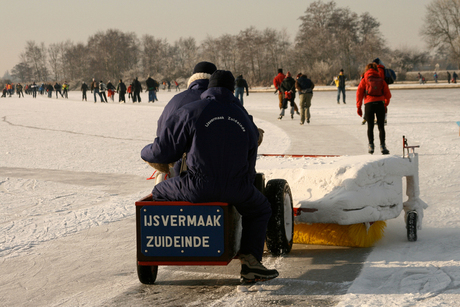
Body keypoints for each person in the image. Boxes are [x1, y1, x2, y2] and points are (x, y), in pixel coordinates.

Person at [141, 70, 278, 283]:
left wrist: (146, 151)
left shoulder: (191, 111)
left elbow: (165, 152)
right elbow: (251, 161)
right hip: (237, 188)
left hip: (197, 186)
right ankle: (251, 261)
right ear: (233, 90)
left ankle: (174, 242)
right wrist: (244, 186)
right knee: (261, 208)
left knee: (158, 191)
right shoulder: (244, 117)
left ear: (209, 88)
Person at [356, 63, 392, 155]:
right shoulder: (381, 79)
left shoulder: (364, 79)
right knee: (381, 126)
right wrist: (385, 103)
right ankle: (383, 146)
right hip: (380, 104)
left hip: (369, 104)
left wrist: (359, 107)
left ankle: (371, 146)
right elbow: (388, 94)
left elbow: (359, 93)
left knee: (370, 126)